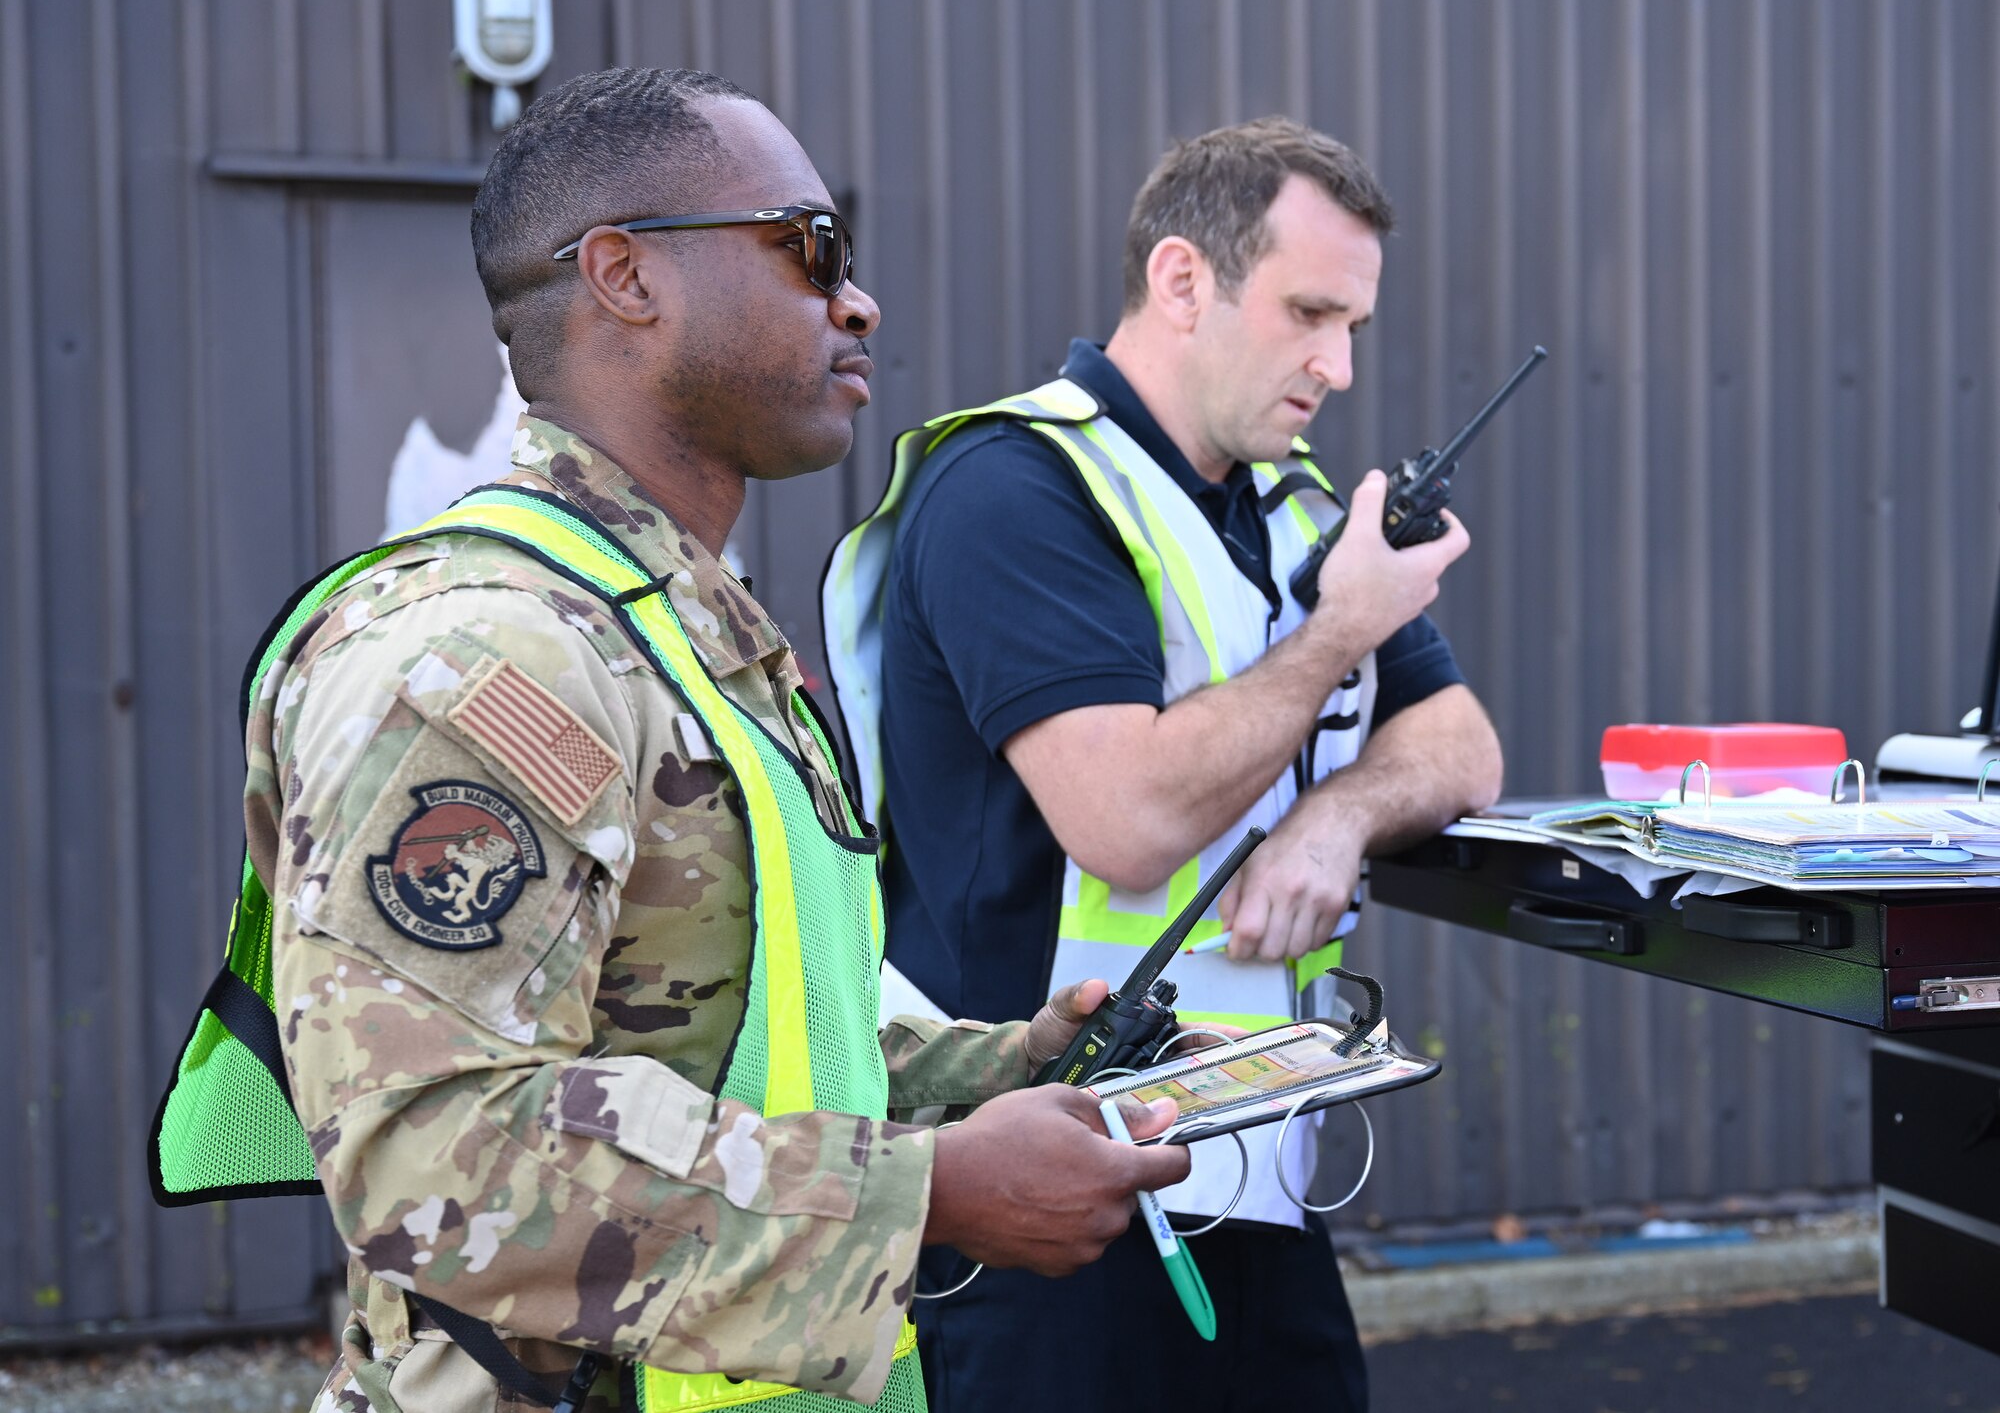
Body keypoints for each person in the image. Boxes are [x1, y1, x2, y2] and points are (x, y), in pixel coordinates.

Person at [149, 68, 1190, 1413]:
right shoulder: (495, 654)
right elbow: (428, 1152)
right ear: (625, 278)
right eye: (810, 249)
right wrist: (926, 1196)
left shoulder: (691, 635)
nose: (857, 300)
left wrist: (1011, 1068)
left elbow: (729, 1040)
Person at [822, 118, 1505, 1410]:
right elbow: (1128, 820)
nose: (1339, 366)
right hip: (1035, 1206)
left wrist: (1336, 820)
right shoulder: (1013, 490)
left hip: (1256, 1187)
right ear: (1184, 281)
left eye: (1354, 324)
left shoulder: (1298, 509)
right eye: (1311, 313)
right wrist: (1340, 632)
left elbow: (1462, 745)